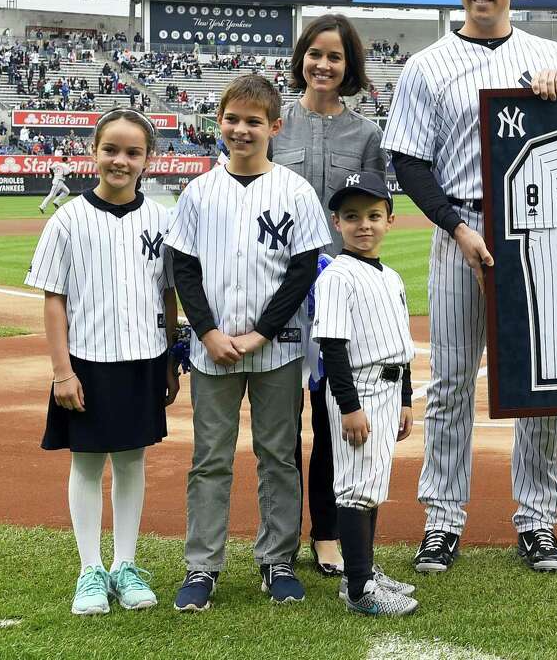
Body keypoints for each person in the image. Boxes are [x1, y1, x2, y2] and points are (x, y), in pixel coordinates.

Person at [382, 0, 557, 575]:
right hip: (461, 232)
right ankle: (442, 520)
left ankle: (536, 521)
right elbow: (410, 161)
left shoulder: (550, 53)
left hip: (541, 231)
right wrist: (453, 226)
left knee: (539, 383)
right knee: (448, 382)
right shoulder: (427, 65)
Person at [167, 75, 332, 611]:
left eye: (253, 121)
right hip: (211, 350)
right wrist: (209, 332)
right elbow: (185, 271)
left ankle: (277, 560)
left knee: (278, 456)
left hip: (278, 347)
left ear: (274, 127)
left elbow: (303, 270)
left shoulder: (295, 190)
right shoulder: (198, 190)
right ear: (219, 122)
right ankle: (202, 566)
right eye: (232, 119)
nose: (241, 129)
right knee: (209, 459)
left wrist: (260, 332)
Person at [25, 109, 181, 614]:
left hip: (143, 358)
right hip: (86, 361)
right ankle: (90, 568)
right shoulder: (68, 218)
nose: (121, 160)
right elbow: (54, 299)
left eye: (133, 152)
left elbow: (168, 294)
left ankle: (125, 565)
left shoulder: (161, 218)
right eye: (111, 149)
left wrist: (170, 361)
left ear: (147, 160)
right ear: (93, 152)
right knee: (88, 463)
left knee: (133, 461)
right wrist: (61, 372)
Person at [273, 13, 387, 579]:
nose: (323, 65)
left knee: (329, 418)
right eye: (315, 54)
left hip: (337, 297)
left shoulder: (366, 136)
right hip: (277, 296)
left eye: (335, 57)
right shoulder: (275, 124)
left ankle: (327, 533)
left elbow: (370, 214)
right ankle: (279, 542)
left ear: (349, 67)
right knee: (279, 424)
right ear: (302, 58)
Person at [312, 172, 419, 616]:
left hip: (389, 387)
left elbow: (401, 342)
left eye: (374, 216)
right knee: (356, 487)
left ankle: (365, 570)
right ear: (337, 222)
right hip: (360, 387)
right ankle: (358, 588)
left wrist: (408, 397)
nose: (364, 225)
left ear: (390, 220)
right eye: (352, 217)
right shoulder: (337, 276)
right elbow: (332, 348)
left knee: (372, 485)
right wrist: (349, 407)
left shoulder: (390, 276)